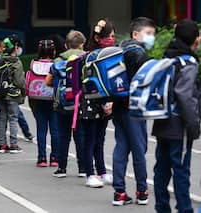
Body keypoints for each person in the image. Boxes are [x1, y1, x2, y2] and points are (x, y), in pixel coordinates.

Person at [152, 19, 200, 213]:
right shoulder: (188, 62)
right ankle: (185, 209)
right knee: (180, 170)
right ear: (193, 39)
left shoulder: (168, 57)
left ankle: (162, 207)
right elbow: (185, 95)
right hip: (178, 125)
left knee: (161, 169)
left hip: (162, 120)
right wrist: (194, 125)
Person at [112, 17, 155, 206]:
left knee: (121, 147)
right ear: (135, 34)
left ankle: (119, 192)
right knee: (139, 149)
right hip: (135, 108)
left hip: (118, 106)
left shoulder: (118, 51)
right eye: (148, 33)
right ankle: (142, 191)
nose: (151, 37)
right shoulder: (139, 55)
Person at [46, 30, 87, 178]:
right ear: (82, 44)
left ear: (66, 44)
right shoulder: (87, 58)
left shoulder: (58, 61)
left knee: (63, 136)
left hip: (62, 104)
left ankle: (61, 168)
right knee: (81, 136)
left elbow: (48, 81)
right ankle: (83, 168)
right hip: (81, 104)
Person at [0, 40, 34, 144]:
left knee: (6, 117)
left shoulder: (1, 59)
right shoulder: (5, 60)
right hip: (10, 94)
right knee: (3, 115)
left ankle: (5, 142)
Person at [82, 19, 114, 188]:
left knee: (100, 139)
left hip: (104, 103)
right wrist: (104, 102)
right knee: (91, 139)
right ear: (97, 38)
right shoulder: (91, 56)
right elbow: (90, 83)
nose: (112, 39)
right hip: (91, 103)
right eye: (108, 36)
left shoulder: (109, 55)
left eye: (113, 36)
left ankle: (101, 171)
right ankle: (90, 174)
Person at [29, 39, 58, 167]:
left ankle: (41, 158)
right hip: (53, 100)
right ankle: (54, 158)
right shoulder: (56, 64)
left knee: (41, 130)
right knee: (55, 130)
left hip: (37, 100)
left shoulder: (33, 64)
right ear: (53, 51)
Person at [0, 35, 26, 154]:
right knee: (13, 119)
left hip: (1, 93)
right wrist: (24, 93)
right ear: (16, 47)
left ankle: (2, 145)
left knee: (3, 119)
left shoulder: (0, 59)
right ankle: (13, 145)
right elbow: (20, 82)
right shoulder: (16, 62)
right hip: (13, 95)